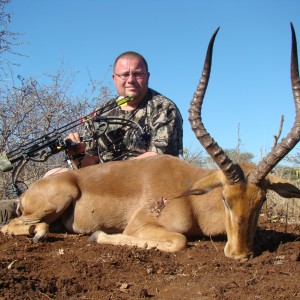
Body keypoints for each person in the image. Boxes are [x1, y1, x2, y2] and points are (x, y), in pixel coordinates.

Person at [43, 51, 183, 175]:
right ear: (114, 78)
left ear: (147, 76)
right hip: (106, 183)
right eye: (124, 75)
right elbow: (88, 165)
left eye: (137, 74)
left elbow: (158, 158)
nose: (130, 80)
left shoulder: (164, 108)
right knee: (53, 175)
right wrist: (77, 155)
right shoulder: (101, 112)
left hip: (146, 183)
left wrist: (107, 173)